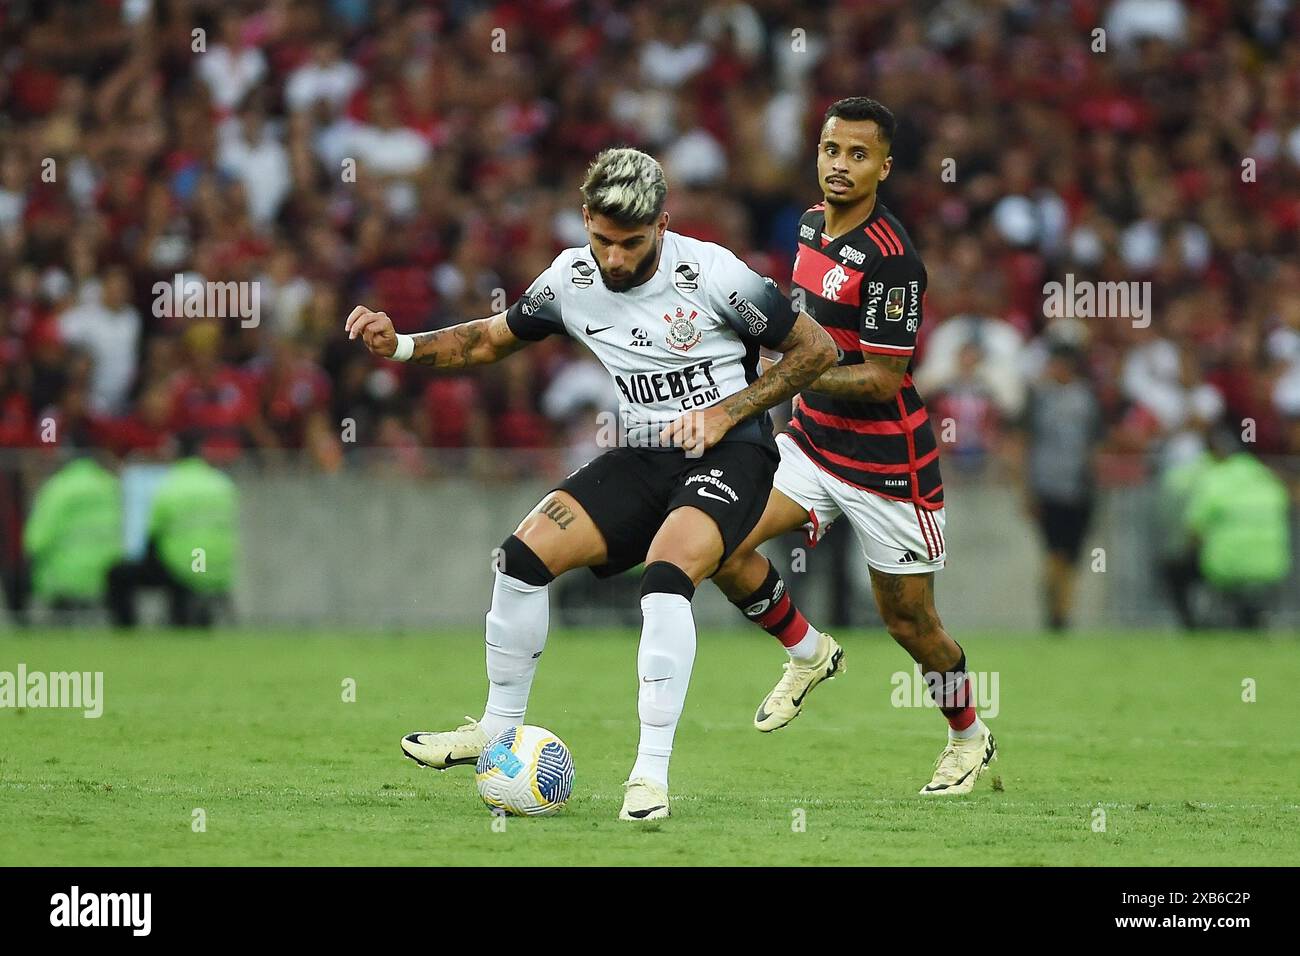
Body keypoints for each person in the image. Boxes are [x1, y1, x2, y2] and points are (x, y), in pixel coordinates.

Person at [345, 147, 834, 820]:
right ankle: (494, 729)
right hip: (645, 453)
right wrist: (400, 346)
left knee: (666, 575)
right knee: (521, 557)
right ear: (584, 221)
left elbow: (816, 350)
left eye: (632, 242)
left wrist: (726, 411)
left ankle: (649, 775)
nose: (616, 257)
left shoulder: (714, 274)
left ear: (662, 225)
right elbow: (490, 341)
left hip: (733, 452)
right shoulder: (571, 278)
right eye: (602, 240)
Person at [709, 97, 997, 795]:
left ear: (884, 167)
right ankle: (807, 653)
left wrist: (786, 378)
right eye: (833, 150)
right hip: (812, 443)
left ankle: (968, 737)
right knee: (719, 545)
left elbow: (883, 376)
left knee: (909, 623)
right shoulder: (808, 225)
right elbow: (803, 328)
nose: (841, 165)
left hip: (887, 466)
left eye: (859, 155)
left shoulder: (894, 261)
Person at [1164, 426, 1290, 629]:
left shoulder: (1215, 479)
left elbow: (1195, 528)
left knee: (1174, 569)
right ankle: (1249, 619)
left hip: (1225, 565)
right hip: (1271, 565)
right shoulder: (1268, 478)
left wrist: (1194, 550)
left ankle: (1193, 626)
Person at [107, 436, 239, 628]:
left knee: (120, 574)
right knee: (189, 567)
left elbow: (153, 533)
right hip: (218, 568)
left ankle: (127, 630)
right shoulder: (222, 484)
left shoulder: (169, 485)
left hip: (185, 567)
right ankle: (192, 613)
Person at [1022, 342, 1104, 631]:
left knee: (1072, 556)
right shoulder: (1038, 398)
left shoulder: (1087, 398)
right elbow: (1024, 443)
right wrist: (1026, 489)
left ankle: (1061, 612)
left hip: (1080, 487)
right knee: (1054, 553)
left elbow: (1096, 443)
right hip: (1047, 486)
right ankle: (1055, 612)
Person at [23, 450, 123, 619]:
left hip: (62, 575)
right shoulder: (110, 484)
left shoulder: (58, 487)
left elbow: (36, 540)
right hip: (108, 573)